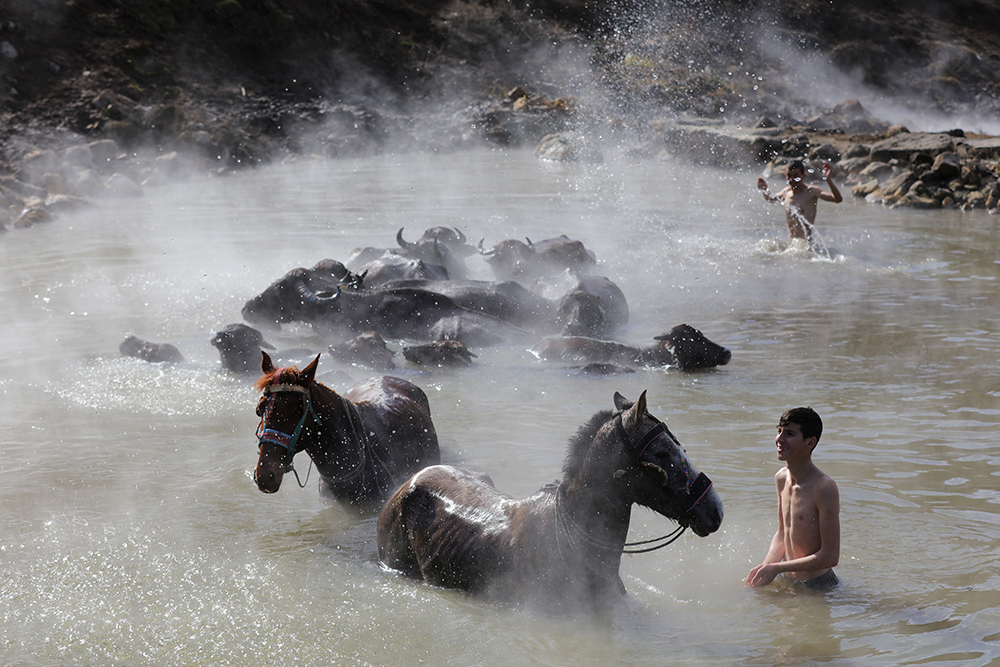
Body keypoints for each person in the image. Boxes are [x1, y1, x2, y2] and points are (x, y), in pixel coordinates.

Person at [746, 407, 841, 590]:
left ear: (810, 443)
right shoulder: (781, 478)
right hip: (787, 579)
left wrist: (776, 568)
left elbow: (830, 556)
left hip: (817, 586)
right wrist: (766, 567)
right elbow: (783, 532)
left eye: (789, 434)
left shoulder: (824, 487)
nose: (779, 439)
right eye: (779, 431)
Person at [757, 160, 842, 243]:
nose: (792, 179)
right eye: (789, 176)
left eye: (795, 176)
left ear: (803, 175)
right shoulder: (786, 192)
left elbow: (837, 199)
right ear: (785, 175)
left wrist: (828, 180)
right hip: (791, 243)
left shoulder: (812, 192)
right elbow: (771, 199)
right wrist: (765, 190)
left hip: (806, 244)